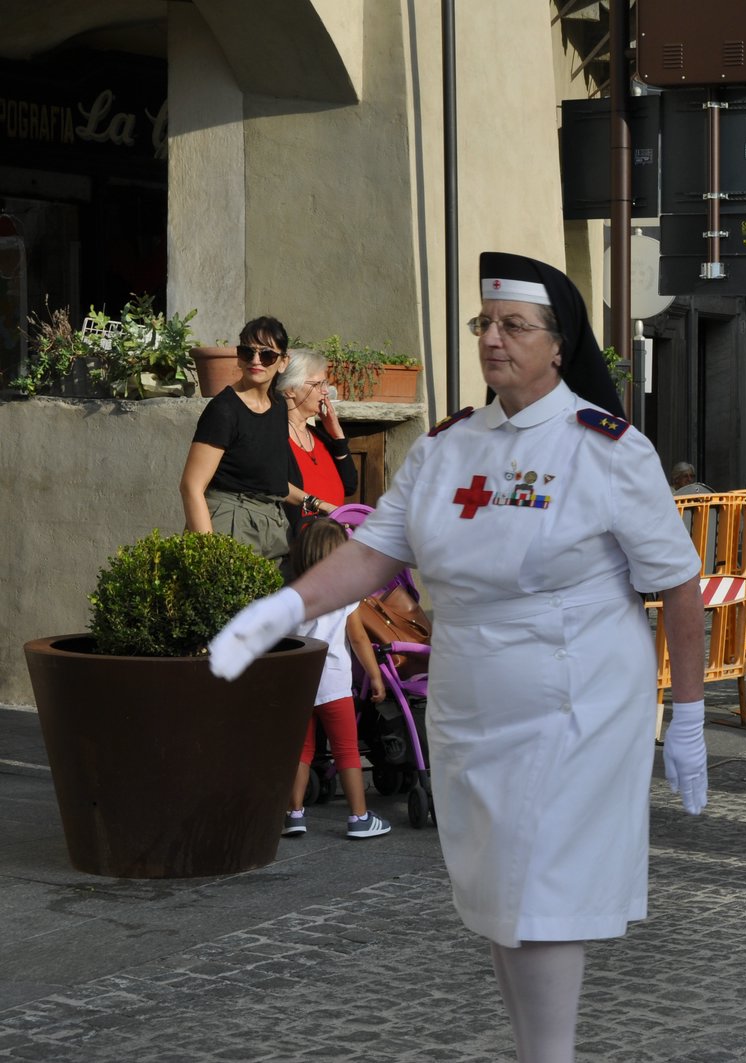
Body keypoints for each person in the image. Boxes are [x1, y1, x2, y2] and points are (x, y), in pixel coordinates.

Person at [207, 252, 709, 1063]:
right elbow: (373, 552)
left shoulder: (607, 449)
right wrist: (281, 610)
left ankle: (552, 1055)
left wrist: (686, 715)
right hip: (473, 700)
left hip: (574, 700)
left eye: (515, 325)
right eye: (485, 323)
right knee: (497, 894)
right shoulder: (448, 448)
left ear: (559, 343)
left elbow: (679, 585)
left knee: (539, 891)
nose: (493, 339)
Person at [179, 317, 335, 564]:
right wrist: (209, 557)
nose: (255, 361)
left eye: (267, 355)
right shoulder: (224, 410)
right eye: (247, 352)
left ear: (283, 362)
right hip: (228, 525)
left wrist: (319, 505)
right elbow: (191, 486)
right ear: (238, 356)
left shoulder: (278, 407)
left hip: (272, 527)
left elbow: (273, 483)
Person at [280, 519, 392, 840]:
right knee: (346, 751)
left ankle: (294, 814)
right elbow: (357, 638)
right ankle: (358, 817)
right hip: (335, 687)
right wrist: (375, 675)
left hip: (299, 686)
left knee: (301, 750)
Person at [280, 348, 359, 542]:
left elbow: (350, 485)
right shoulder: (276, 438)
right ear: (290, 389)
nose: (325, 392)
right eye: (318, 384)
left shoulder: (319, 437)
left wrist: (337, 435)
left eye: (325, 383)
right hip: (299, 550)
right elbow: (275, 486)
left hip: (333, 547)